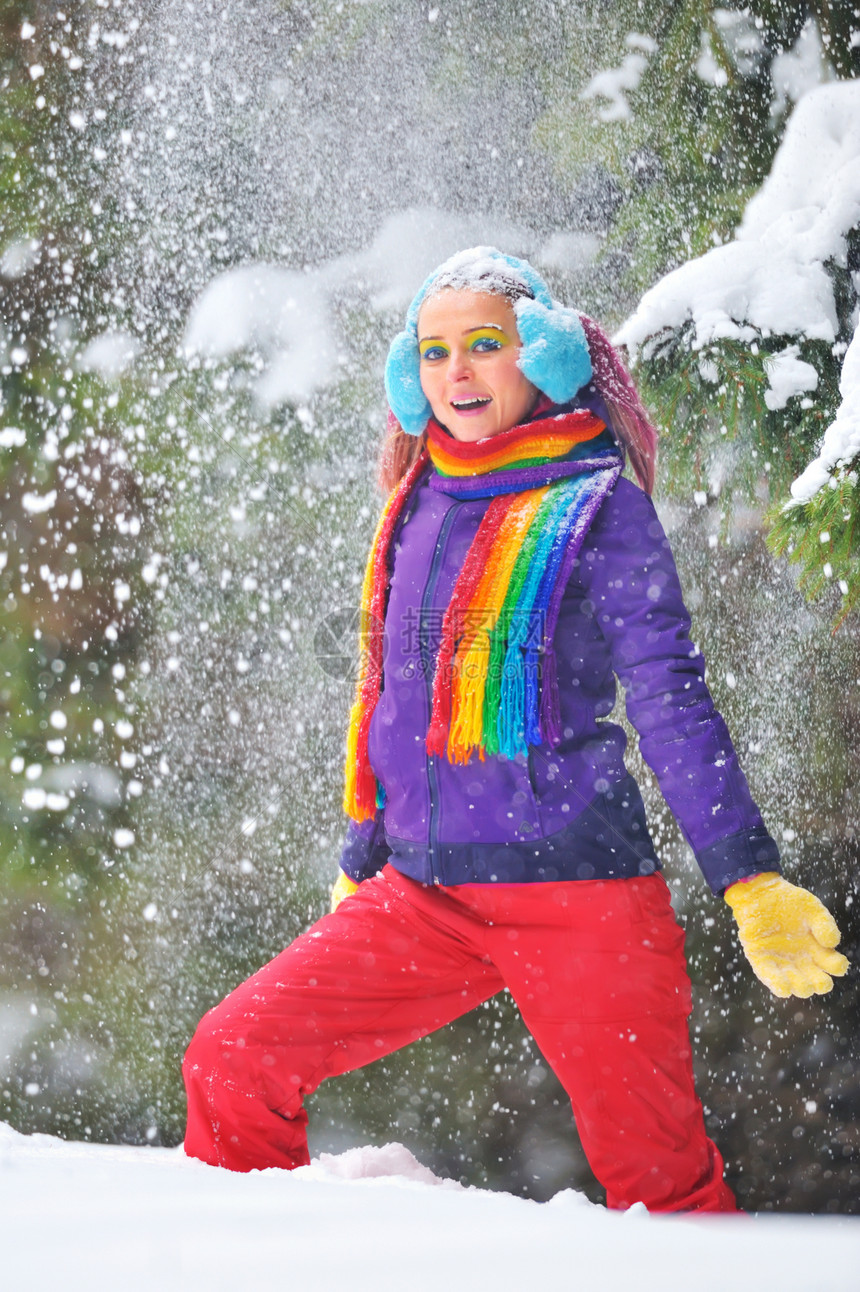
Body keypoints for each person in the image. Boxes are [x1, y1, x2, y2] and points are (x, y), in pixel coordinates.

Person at [182, 247, 849, 1211]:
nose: (457, 370)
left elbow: (671, 696)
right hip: (421, 896)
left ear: (540, 354)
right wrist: (365, 852)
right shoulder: (414, 498)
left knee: (664, 1192)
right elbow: (388, 695)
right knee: (232, 1056)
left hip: (584, 896)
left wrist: (748, 877)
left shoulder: (598, 504)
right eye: (435, 350)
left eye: (485, 345)